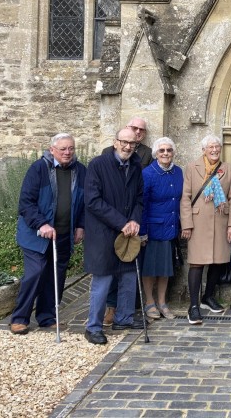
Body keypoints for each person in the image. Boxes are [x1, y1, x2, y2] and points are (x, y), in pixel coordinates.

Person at [10, 133, 86, 335]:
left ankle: (46, 317)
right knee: (35, 273)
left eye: (71, 148)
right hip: (36, 235)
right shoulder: (38, 169)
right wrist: (41, 224)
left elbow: (84, 202)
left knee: (56, 277)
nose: (68, 152)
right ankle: (19, 318)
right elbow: (26, 203)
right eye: (63, 149)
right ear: (52, 150)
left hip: (63, 235)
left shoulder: (80, 171)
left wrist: (80, 225)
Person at [83, 127, 144, 345]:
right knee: (103, 280)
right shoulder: (98, 165)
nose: (128, 147)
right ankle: (93, 327)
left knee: (128, 277)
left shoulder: (136, 167)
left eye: (132, 143)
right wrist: (121, 222)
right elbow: (93, 201)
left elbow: (139, 199)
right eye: (124, 142)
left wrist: (134, 220)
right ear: (115, 142)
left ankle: (124, 318)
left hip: (127, 234)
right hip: (102, 234)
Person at [180, 135, 231, 324]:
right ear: (203, 149)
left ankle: (208, 296)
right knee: (197, 263)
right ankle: (194, 306)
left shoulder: (227, 169)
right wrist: (186, 224)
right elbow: (186, 198)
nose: (214, 150)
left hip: (221, 221)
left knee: (217, 261)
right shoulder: (192, 167)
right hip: (198, 223)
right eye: (211, 147)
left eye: (217, 147)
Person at [100, 116, 152, 326]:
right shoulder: (106, 153)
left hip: (132, 220)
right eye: (133, 128)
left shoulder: (146, 154)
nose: (137, 132)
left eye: (141, 130)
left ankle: (126, 313)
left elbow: (138, 190)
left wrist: (135, 221)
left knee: (130, 268)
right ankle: (111, 308)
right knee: (111, 269)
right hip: (112, 219)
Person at [139, 137, 183, 321]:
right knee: (150, 269)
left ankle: (163, 302)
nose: (165, 153)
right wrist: (142, 231)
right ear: (156, 153)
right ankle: (150, 302)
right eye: (162, 150)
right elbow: (142, 204)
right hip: (153, 228)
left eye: (169, 150)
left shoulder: (178, 172)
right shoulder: (148, 173)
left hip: (171, 227)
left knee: (165, 268)